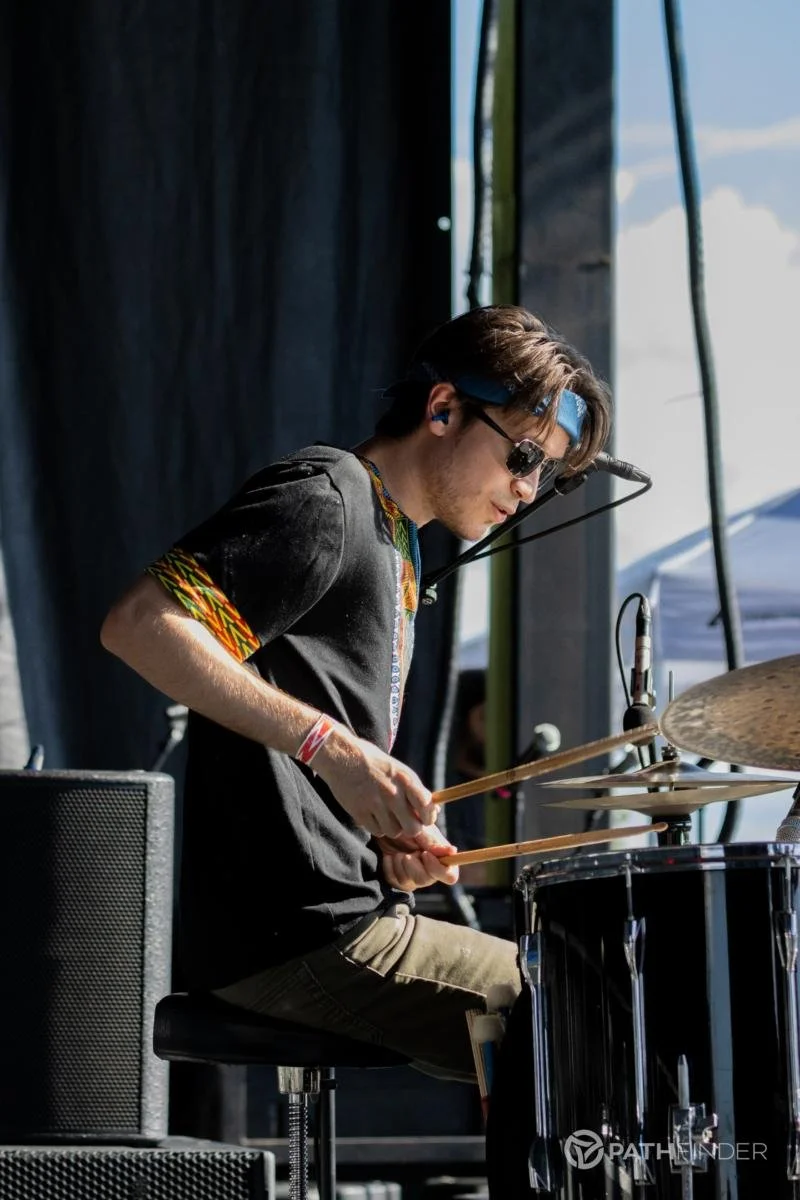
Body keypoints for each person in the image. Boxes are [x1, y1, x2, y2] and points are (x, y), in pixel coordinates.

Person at [100, 303, 611, 1084]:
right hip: (302, 936)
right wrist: (332, 749)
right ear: (443, 408)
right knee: (581, 1016)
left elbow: (292, 751)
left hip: (340, 917)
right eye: (522, 456)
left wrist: (381, 842)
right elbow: (139, 624)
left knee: (586, 1018)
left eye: (546, 475)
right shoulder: (329, 497)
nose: (528, 488)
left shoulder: (394, 542)